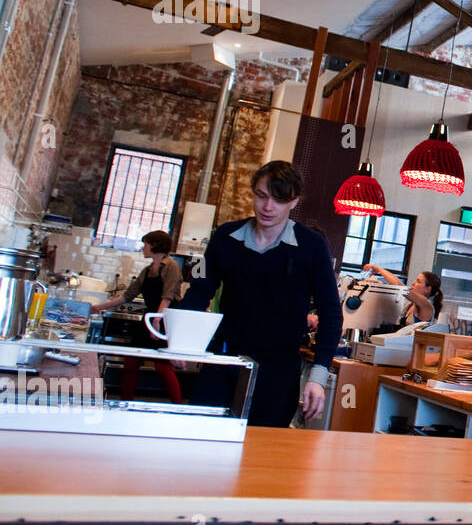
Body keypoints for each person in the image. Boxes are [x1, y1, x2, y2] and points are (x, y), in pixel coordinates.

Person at [177, 161, 343, 427]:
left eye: (279, 200)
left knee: (263, 455)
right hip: (223, 359)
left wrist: (317, 377)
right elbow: (198, 291)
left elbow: (331, 314)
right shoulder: (224, 237)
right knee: (202, 441)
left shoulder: (312, 246)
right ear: (252, 192)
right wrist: (182, 341)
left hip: (279, 370)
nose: (268, 207)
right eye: (262, 196)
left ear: (294, 201)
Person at [90, 230, 184, 404]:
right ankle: (125, 403)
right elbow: (127, 296)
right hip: (150, 318)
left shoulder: (171, 266)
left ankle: (179, 407)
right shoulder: (147, 270)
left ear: (155, 245)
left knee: (163, 367)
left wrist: (157, 320)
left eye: (146, 244)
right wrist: (97, 308)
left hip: (164, 319)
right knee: (131, 361)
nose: (143, 247)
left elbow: (168, 296)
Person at [361, 263, 442, 326]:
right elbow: (397, 288)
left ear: (428, 289)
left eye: (418, 281)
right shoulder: (410, 304)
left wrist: (378, 269)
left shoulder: (426, 305)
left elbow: (399, 286)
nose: (413, 283)